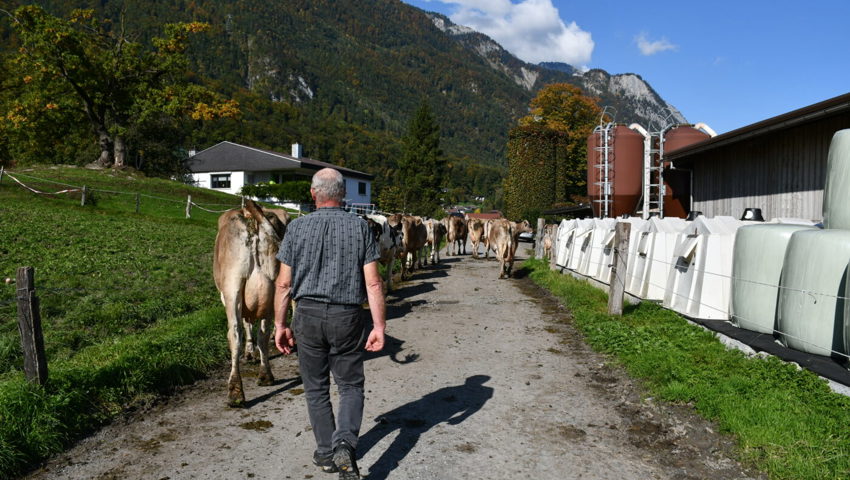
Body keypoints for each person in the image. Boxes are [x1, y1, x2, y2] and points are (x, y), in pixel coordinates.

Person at [274, 167, 386, 480]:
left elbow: (284, 284)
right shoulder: (361, 228)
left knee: (315, 387)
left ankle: (326, 452)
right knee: (350, 385)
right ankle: (345, 445)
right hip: (346, 315)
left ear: (313, 194)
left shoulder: (296, 228)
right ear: (343, 195)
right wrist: (379, 326)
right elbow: (374, 283)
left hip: (306, 314)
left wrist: (280, 324)